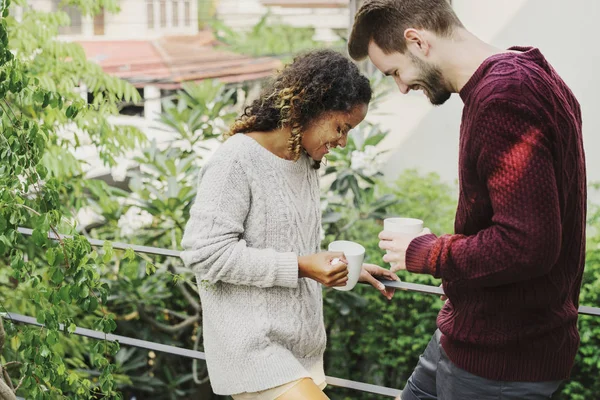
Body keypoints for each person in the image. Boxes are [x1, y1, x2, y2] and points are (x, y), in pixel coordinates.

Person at [348, 1, 587, 399]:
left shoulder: (503, 98)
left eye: (395, 72)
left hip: (501, 363)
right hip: (466, 336)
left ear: (417, 41)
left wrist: (428, 254)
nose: (402, 87)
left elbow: (528, 245)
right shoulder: (526, 71)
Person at [180, 49, 399, 400]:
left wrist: (341, 269)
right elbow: (204, 253)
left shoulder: (304, 163)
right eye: (341, 127)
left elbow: (292, 252)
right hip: (253, 351)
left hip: (301, 349)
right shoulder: (236, 159)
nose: (342, 141)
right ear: (308, 107)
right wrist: (300, 267)